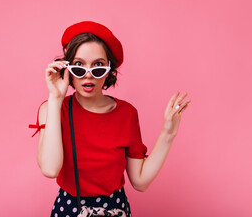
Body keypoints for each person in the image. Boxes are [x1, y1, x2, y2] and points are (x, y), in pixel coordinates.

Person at [29, 21, 191, 217]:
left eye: (98, 66)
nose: (88, 75)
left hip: (115, 209)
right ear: (67, 68)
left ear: (109, 70)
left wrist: (168, 132)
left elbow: (139, 181)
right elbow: (50, 168)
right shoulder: (53, 108)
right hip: (69, 210)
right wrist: (55, 98)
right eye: (78, 66)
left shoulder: (126, 113)